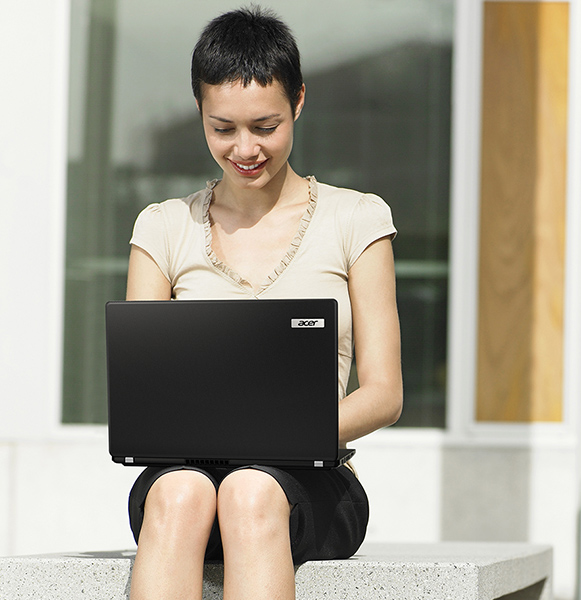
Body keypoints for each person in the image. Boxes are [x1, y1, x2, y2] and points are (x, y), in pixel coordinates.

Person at [123, 7, 403, 600]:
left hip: (310, 481)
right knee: (180, 492)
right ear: (199, 110)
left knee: (249, 490)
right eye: (223, 128)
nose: (245, 148)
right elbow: (143, 394)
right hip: (187, 480)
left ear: (298, 102)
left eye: (265, 126)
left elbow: (384, 393)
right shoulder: (162, 227)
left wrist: (279, 435)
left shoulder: (357, 218)